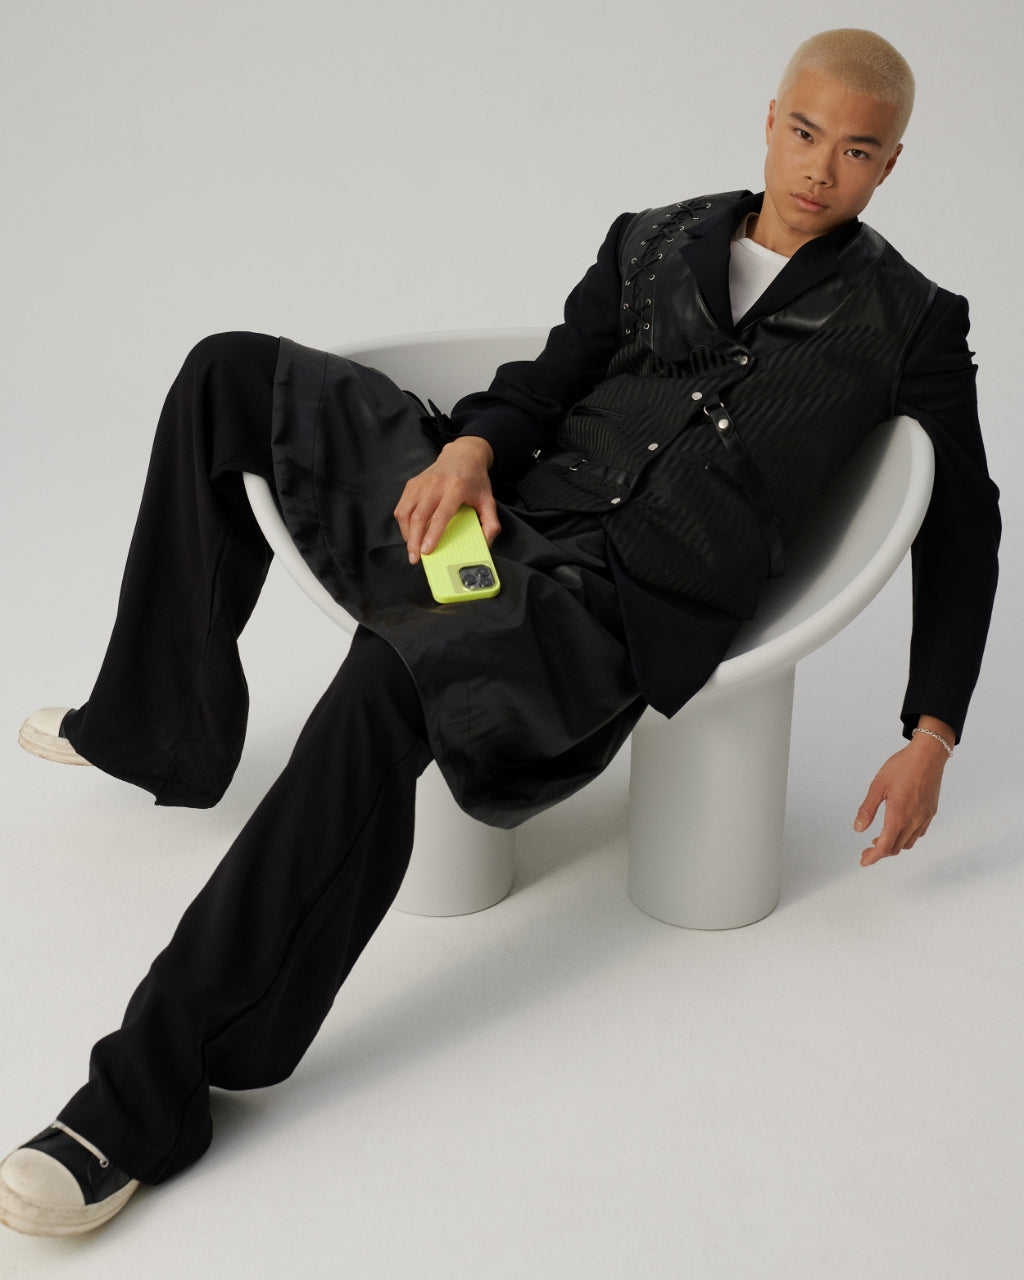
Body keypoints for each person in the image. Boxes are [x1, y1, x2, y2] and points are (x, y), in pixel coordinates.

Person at [0, 27, 999, 1237]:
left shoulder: (910, 320)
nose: (818, 169)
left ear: (891, 162)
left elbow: (964, 526)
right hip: (503, 507)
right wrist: (470, 447)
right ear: (769, 116)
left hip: (607, 596)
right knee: (228, 375)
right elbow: (545, 381)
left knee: (387, 676)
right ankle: (156, 730)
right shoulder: (652, 238)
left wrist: (931, 730)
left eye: (856, 150)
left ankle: (144, 1098)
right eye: (802, 132)